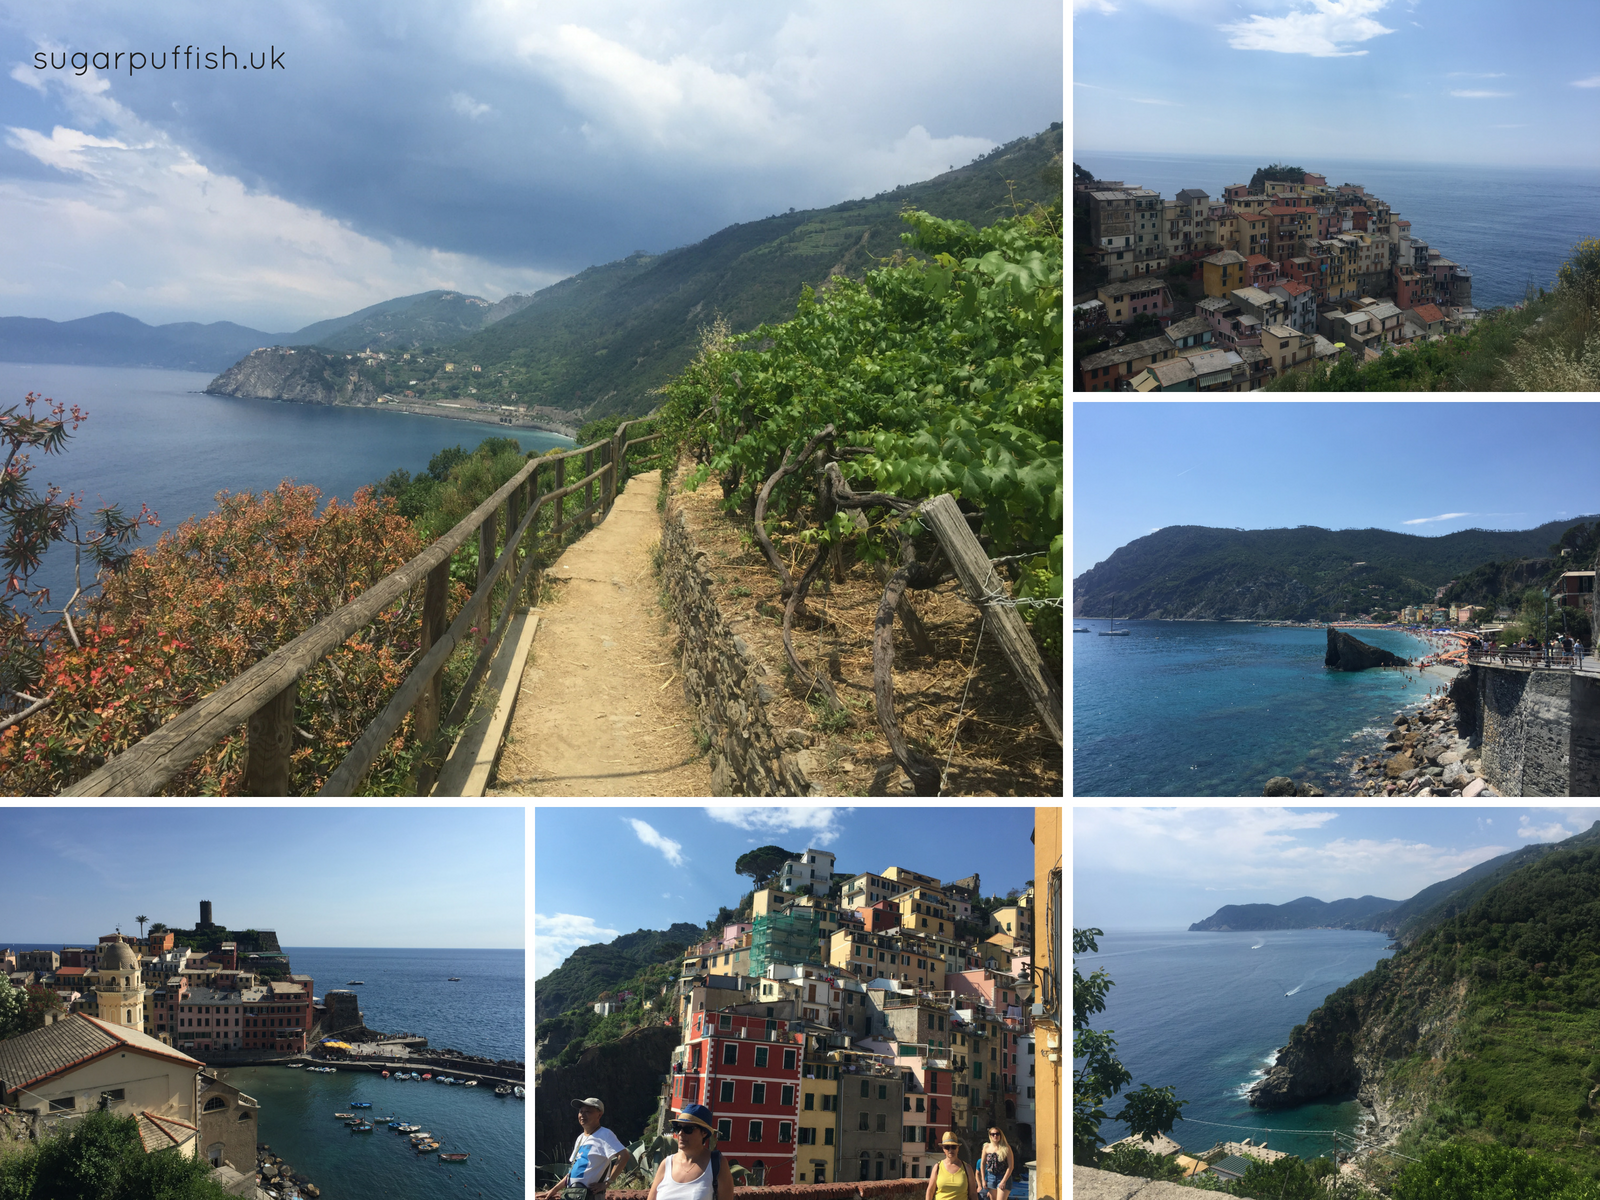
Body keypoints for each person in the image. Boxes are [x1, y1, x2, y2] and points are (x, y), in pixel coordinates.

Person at [545, 1097, 636, 1200]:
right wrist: (554, 1189)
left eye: (588, 1112)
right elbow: (573, 1172)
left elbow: (624, 1155)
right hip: (572, 1194)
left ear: (599, 1114)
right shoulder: (580, 1138)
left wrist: (607, 1183)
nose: (582, 1115)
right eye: (581, 1111)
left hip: (590, 1195)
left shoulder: (605, 1134)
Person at [646, 1104, 734, 1200]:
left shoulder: (716, 1164)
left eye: (688, 1129)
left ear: (704, 1133)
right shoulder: (666, 1164)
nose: (680, 1133)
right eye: (678, 1128)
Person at [926, 1133, 979, 1200]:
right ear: (943, 1149)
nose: (950, 1150)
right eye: (947, 1147)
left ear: (958, 1148)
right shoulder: (938, 1167)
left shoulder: (967, 1168)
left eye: (953, 1147)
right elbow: (930, 1191)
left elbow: (973, 1194)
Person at [980, 1127, 1014, 1200]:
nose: (995, 1136)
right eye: (993, 1134)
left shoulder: (1006, 1148)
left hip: (1003, 1176)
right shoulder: (986, 1147)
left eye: (997, 1134)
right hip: (991, 1176)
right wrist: (983, 1180)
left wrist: (1003, 1181)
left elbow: (1010, 1166)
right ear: (990, 1136)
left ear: (1000, 1135)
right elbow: (982, 1164)